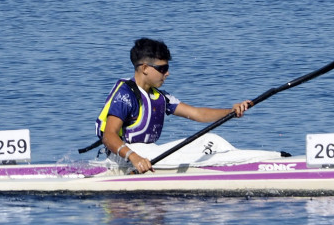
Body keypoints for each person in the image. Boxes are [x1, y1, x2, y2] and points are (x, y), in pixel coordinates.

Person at [95, 38, 251, 173]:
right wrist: (134, 157)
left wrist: (231, 111)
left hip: (149, 153)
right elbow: (108, 136)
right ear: (144, 68)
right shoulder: (125, 95)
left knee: (211, 140)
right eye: (162, 69)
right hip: (126, 157)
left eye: (167, 68)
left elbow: (197, 114)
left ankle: (249, 163)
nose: (167, 73)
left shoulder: (161, 97)